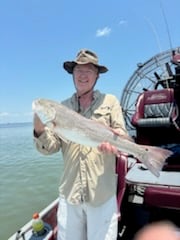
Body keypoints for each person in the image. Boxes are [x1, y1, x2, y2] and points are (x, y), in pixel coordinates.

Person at [33, 49, 129, 240]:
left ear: (97, 76)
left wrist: (118, 142)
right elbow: (50, 147)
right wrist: (40, 130)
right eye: (78, 70)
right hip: (70, 194)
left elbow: (122, 135)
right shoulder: (62, 108)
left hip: (101, 194)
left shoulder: (110, 102)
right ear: (72, 75)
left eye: (89, 70)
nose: (83, 75)